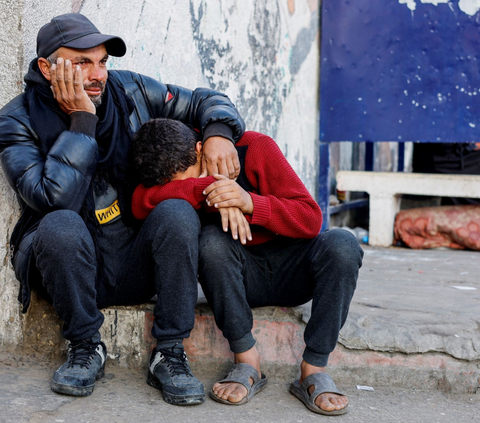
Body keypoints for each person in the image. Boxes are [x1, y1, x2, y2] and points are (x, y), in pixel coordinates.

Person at [0, 13, 246, 405]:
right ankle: (85, 347)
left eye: (102, 62)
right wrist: (82, 122)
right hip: (71, 268)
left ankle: (168, 352)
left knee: (177, 212)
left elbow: (205, 100)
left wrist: (218, 133)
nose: (98, 75)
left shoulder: (129, 89)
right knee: (58, 224)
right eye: (82, 63)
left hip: (134, 256)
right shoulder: (16, 120)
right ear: (47, 68)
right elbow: (50, 198)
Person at [131, 118, 364, 416]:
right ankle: (247, 361)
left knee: (343, 244)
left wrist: (248, 202)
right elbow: (140, 203)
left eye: (195, 176)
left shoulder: (254, 148)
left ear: (202, 149)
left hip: (293, 270)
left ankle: (313, 368)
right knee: (212, 241)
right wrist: (210, 186)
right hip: (239, 279)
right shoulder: (183, 177)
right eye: (185, 188)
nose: (195, 192)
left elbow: (310, 219)